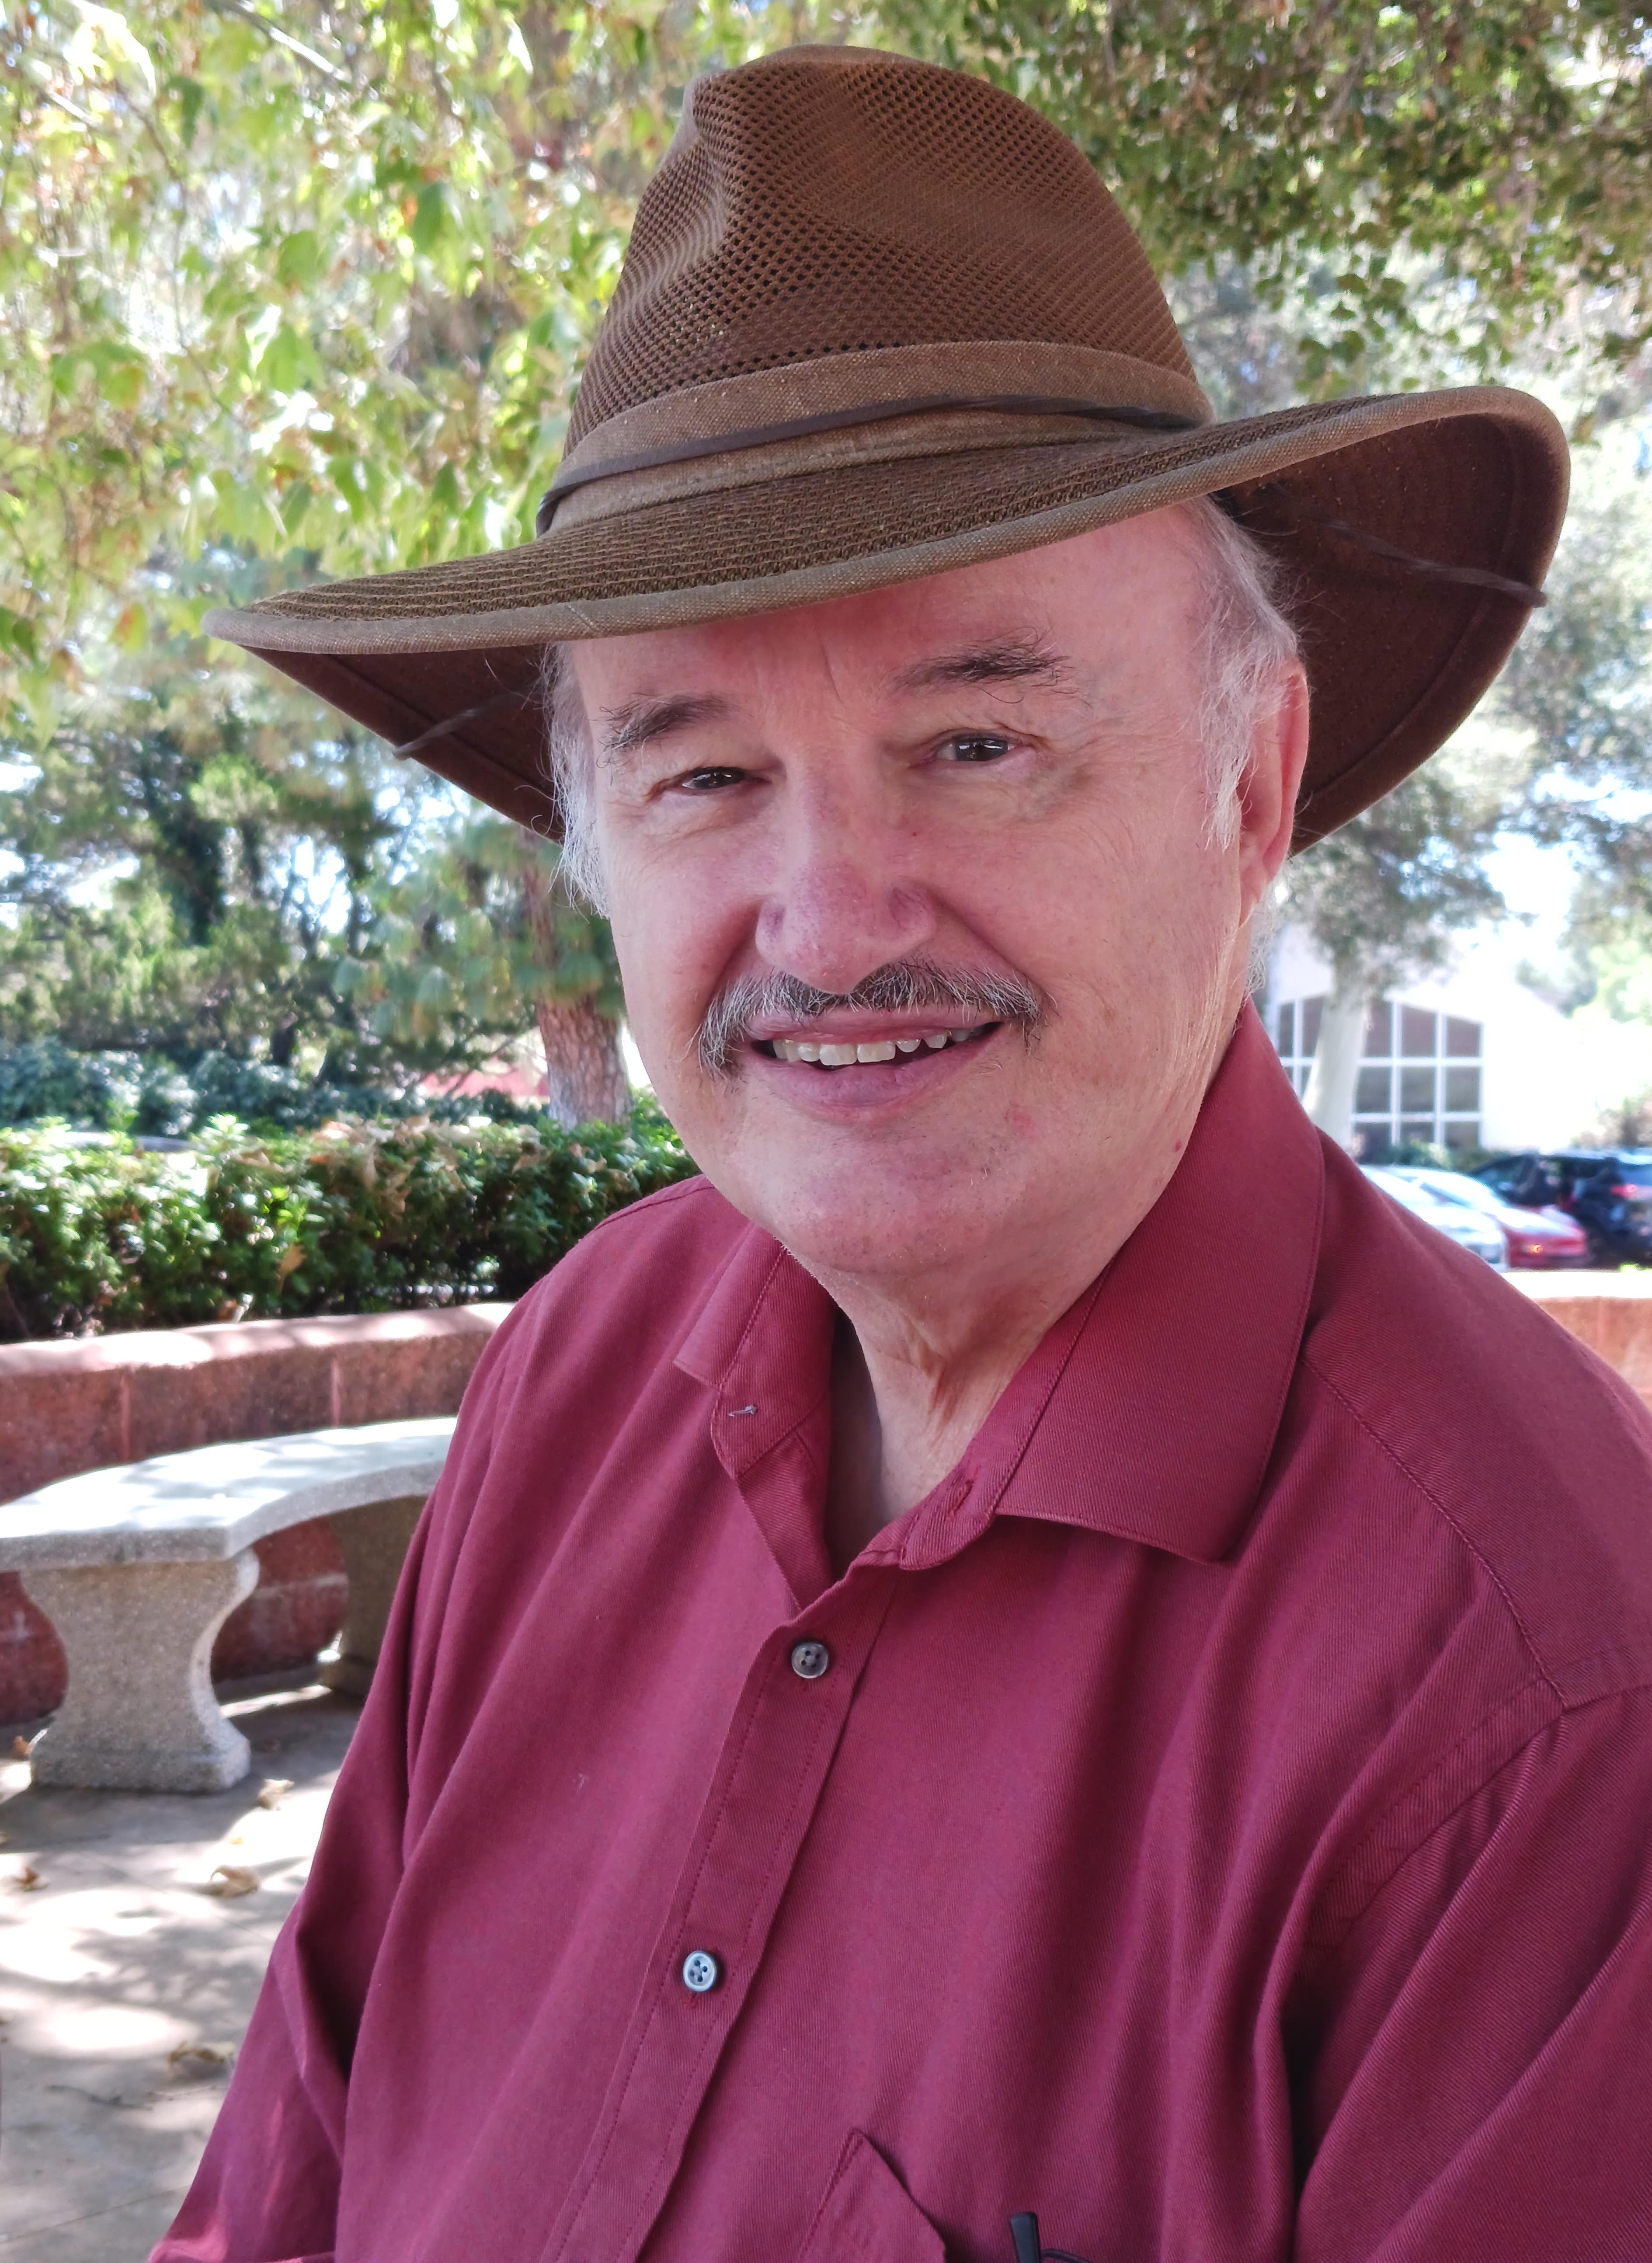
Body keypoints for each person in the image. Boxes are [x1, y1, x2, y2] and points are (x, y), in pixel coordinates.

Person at [163, 47, 1652, 2263]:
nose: (834, 923)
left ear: (1253, 790)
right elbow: (290, 2174)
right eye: (702, 775)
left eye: (978, 741)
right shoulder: (587, 1370)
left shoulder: (1552, 1706)